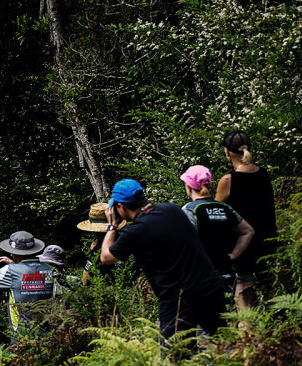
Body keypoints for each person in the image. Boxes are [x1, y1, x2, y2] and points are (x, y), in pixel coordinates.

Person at [99, 178, 229, 339]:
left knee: (176, 357)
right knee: (225, 344)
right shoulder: (172, 209)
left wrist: (112, 226)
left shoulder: (135, 231)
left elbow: (105, 257)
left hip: (177, 300)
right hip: (210, 286)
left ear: (120, 206)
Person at [215, 130, 277, 309]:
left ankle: (246, 333)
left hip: (241, 247)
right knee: (271, 293)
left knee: (244, 297)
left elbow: (215, 212)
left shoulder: (228, 180)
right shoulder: (264, 174)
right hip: (268, 242)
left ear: (227, 152)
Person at [180, 164, 254, 300]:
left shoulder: (190, 210)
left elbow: (182, 243)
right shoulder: (224, 207)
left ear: (188, 187)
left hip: (200, 275)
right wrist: (233, 256)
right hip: (226, 272)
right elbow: (248, 231)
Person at [0, 231, 56, 338]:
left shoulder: (11, 271)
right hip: (50, 333)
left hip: (22, 334)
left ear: (14, 253)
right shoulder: (50, 268)